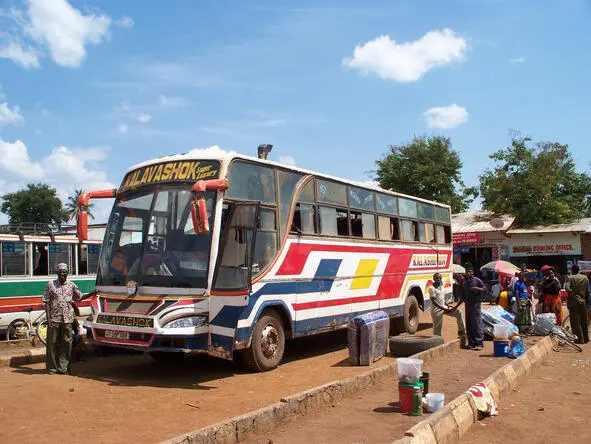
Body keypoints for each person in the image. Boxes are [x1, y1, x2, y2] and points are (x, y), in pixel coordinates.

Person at [42, 263, 97, 375]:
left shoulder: (71, 286)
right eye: (60, 272)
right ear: (57, 273)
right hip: (54, 319)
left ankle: (63, 368)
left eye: (64, 272)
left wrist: (93, 293)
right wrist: (48, 318)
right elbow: (46, 302)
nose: (62, 274)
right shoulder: (50, 285)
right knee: (52, 344)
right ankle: (52, 368)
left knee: (66, 344)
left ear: (67, 274)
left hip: (67, 319)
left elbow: (79, 297)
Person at [429, 272, 466, 338]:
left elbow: (442, 298)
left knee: (458, 312)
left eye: (440, 278)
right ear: (433, 279)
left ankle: (462, 331)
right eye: (437, 278)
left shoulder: (441, 286)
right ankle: (437, 341)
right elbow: (433, 301)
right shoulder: (432, 288)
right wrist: (443, 308)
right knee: (437, 328)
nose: (438, 279)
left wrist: (447, 305)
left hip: (444, 307)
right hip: (436, 310)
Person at [463, 267, 487, 350]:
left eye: (469, 271)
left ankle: (479, 343)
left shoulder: (477, 280)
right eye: (467, 272)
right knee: (469, 324)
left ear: (472, 272)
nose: (468, 273)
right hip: (467, 306)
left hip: (475, 305)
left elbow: (485, 289)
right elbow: (463, 297)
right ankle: (471, 343)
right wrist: (455, 307)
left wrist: (477, 288)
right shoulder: (465, 283)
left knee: (476, 324)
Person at [565, 264, 590, 344]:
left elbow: (567, 288)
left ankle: (579, 339)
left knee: (575, 321)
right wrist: (587, 302)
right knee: (584, 320)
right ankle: (586, 339)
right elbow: (587, 291)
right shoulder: (585, 278)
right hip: (583, 301)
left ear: (572, 270)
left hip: (573, 302)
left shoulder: (570, 278)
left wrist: (574, 297)